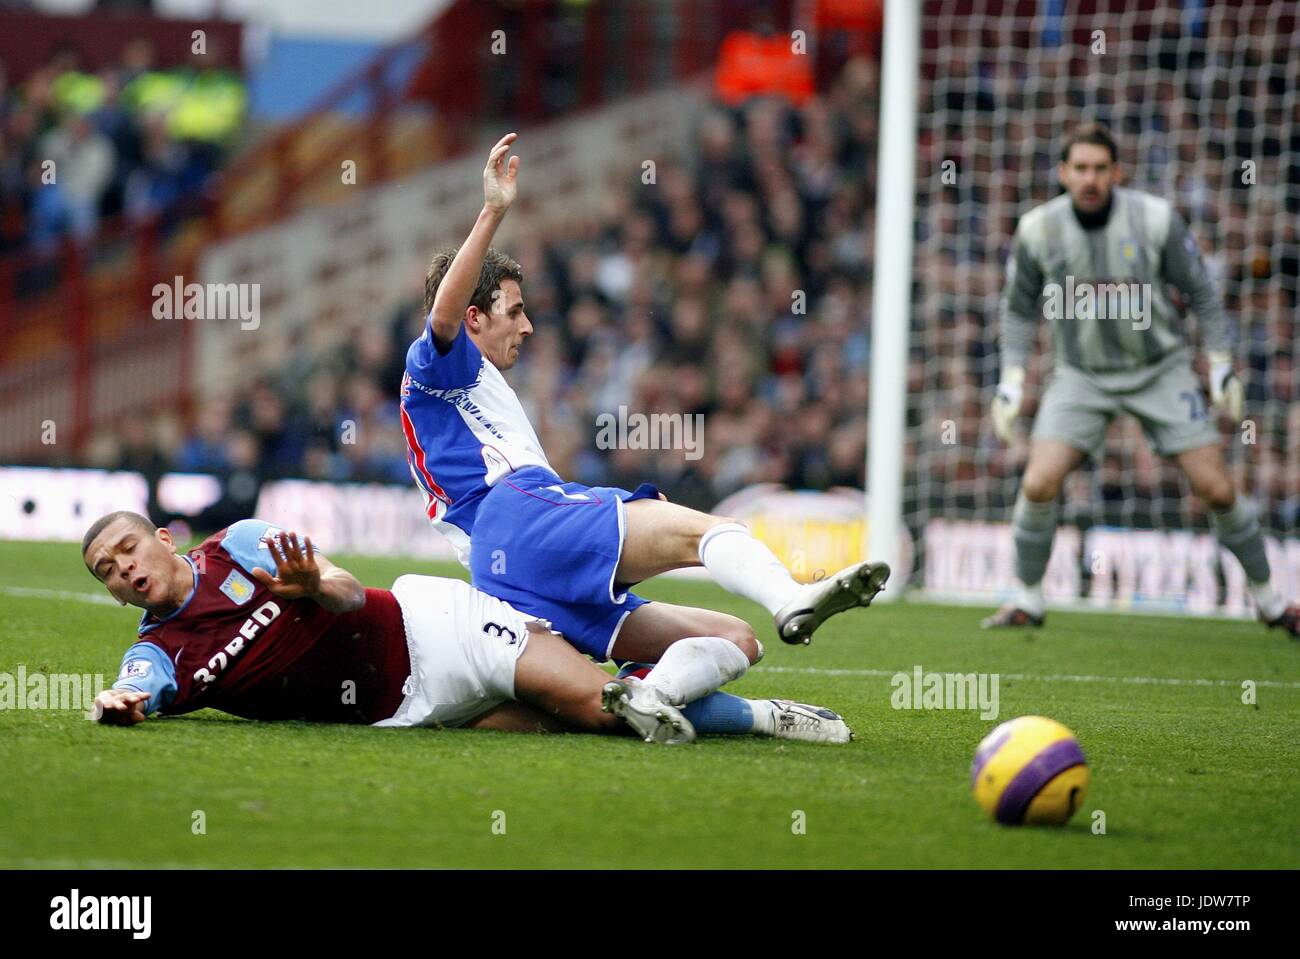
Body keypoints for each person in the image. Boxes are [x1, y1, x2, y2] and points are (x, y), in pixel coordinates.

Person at [399, 133, 890, 700]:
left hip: (508, 575)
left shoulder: (465, 391)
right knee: (705, 531)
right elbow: (442, 316)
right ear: (474, 318)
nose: (528, 326)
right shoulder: (438, 365)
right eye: (515, 311)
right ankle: (791, 598)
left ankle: (654, 699)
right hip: (520, 520)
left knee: (735, 638)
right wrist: (492, 211)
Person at [84, 511, 853, 744]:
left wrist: (316, 584)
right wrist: (123, 703)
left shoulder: (242, 548)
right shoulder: (159, 652)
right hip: (406, 709)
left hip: (432, 628)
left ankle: (755, 696)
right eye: (108, 571)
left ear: (161, 535)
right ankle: (751, 698)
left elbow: (349, 591)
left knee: (605, 704)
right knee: (602, 721)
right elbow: (134, 688)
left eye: (126, 548)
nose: (123, 568)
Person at [986, 122, 1298, 635]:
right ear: (1063, 173)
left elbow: (1200, 291)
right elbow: (1018, 309)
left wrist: (1221, 363)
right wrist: (1012, 378)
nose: (1090, 179)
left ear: (1117, 172)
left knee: (1217, 489)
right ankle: (1026, 598)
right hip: (1080, 374)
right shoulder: (1038, 229)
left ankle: (1270, 600)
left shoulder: (1155, 220)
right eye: (1080, 169)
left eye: (1100, 169)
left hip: (1160, 369)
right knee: (1039, 481)